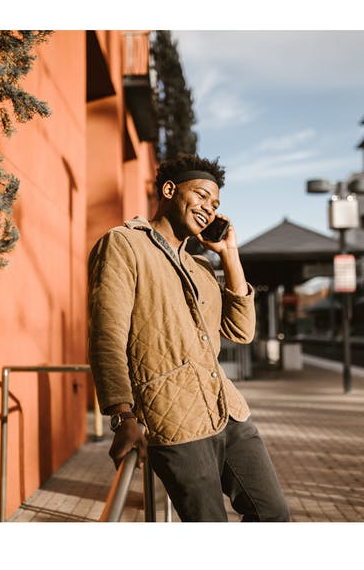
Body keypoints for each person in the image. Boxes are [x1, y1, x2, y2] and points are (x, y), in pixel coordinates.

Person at [88, 153, 290, 522]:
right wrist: (122, 415)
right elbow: (107, 334)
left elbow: (241, 331)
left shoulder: (200, 266)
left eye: (215, 205)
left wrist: (229, 254)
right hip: (174, 419)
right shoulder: (124, 244)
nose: (209, 209)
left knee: (273, 513)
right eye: (201, 196)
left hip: (228, 411)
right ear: (169, 190)